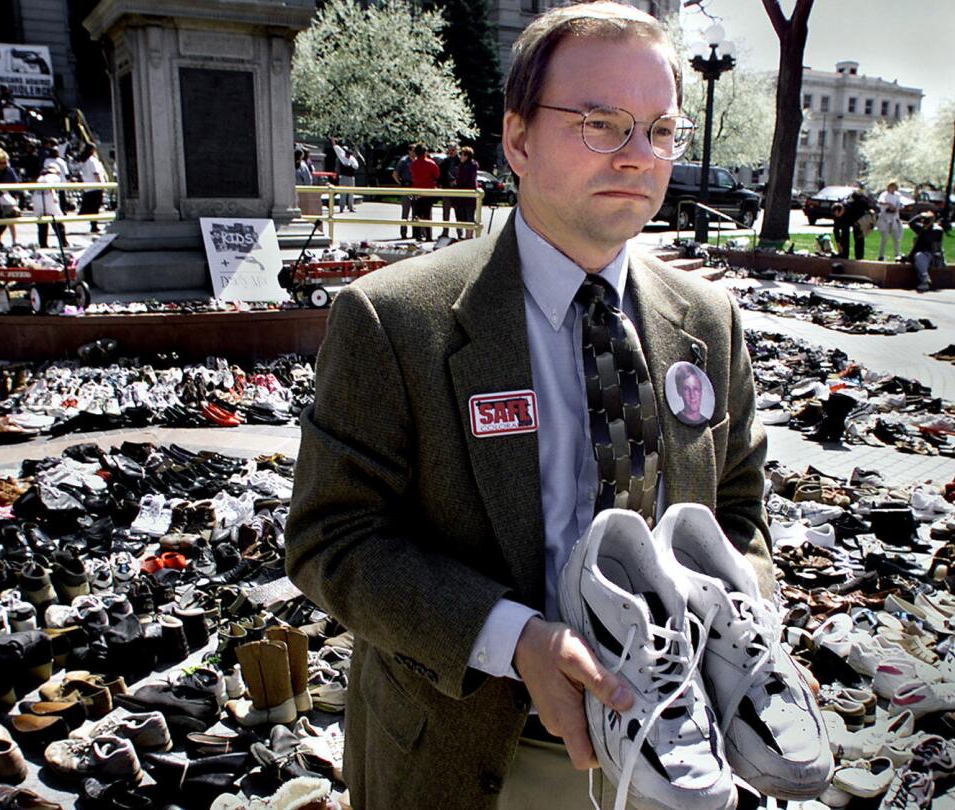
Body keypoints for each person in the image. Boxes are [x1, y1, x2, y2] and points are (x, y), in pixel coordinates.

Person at [286, 3, 778, 807]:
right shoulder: (395, 321)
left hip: (678, 755)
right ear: (517, 139)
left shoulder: (708, 321)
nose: (637, 155)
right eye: (600, 123)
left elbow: (739, 512)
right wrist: (514, 641)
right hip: (475, 754)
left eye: (660, 129)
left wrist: (738, 629)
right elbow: (330, 538)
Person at [31, 148, 67, 249]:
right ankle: (63, 242)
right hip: (49, 198)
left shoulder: (40, 177)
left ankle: (43, 244)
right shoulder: (55, 177)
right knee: (57, 221)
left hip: (37, 199)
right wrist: (54, 195)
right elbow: (50, 185)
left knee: (42, 223)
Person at [831, 186, 874, 260]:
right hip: (846, 221)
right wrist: (838, 244)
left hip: (857, 218)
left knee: (858, 237)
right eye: (837, 215)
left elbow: (865, 202)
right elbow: (836, 229)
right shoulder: (837, 215)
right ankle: (844, 255)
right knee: (844, 234)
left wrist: (870, 209)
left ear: (842, 210)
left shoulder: (854, 205)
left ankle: (859, 257)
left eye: (839, 214)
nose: (838, 216)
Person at [408, 143, 440, 241]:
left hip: (417, 192)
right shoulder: (431, 163)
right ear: (425, 152)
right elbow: (437, 175)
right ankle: (428, 235)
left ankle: (417, 235)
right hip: (428, 191)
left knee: (417, 213)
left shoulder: (413, 164)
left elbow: (412, 175)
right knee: (427, 214)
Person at [76, 144, 107, 234]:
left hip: (88, 186)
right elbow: (96, 173)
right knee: (95, 207)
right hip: (95, 186)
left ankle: (93, 224)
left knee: (92, 207)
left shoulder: (84, 161)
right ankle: (94, 225)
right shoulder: (92, 161)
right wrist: (102, 185)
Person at [908, 211, 942, 292]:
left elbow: (929, 239)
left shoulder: (937, 230)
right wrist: (920, 215)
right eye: (925, 220)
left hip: (932, 255)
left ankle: (925, 281)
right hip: (921, 255)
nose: (925, 222)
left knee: (920, 257)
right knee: (919, 257)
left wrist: (927, 227)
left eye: (928, 220)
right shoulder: (922, 228)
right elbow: (911, 223)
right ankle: (925, 280)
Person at [452, 145, 480, 239]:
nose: (461, 157)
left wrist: (456, 182)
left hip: (467, 194)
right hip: (467, 195)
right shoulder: (470, 165)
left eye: (462, 155)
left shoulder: (468, 167)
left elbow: (464, 180)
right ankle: (467, 235)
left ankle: (468, 236)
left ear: (467, 156)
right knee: (467, 216)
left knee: (468, 216)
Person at [876, 181, 903, 261]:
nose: (892, 189)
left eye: (894, 187)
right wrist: (889, 205)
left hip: (894, 218)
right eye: (891, 187)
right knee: (884, 237)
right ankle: (881, 255)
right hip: (885, 218)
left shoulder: (897, 195)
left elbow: (899, 204)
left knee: (896, 238)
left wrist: (896, 208)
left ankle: (897, 254)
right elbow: (880, 202)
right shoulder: (884, 195)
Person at [438, 142, 460, 238]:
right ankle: (445, 231)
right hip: (447, 189)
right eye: (450, 150)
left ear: (456, 150)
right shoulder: (445, 162)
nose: (451, 152)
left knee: (458, 212)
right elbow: (441, 175)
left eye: (453, 150)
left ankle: (459, 232)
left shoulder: (460, 161)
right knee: (445, 212)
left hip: (458, 190)